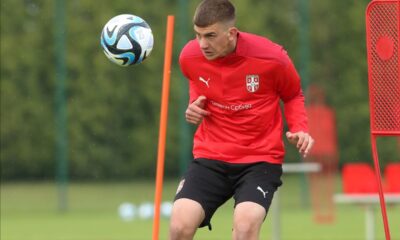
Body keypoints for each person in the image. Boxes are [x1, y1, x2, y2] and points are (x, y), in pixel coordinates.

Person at [169, 0, 314, 239]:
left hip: (259, 159)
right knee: (179, 224)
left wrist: (299, 128)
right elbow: (198, 81)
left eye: (210, 36)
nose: (202, 44)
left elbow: (292, 94)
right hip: (211, 156)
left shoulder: (272, 58)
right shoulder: (189, 56)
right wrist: (194, 105)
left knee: (245, 226)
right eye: (198, 35)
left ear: (232, 33)